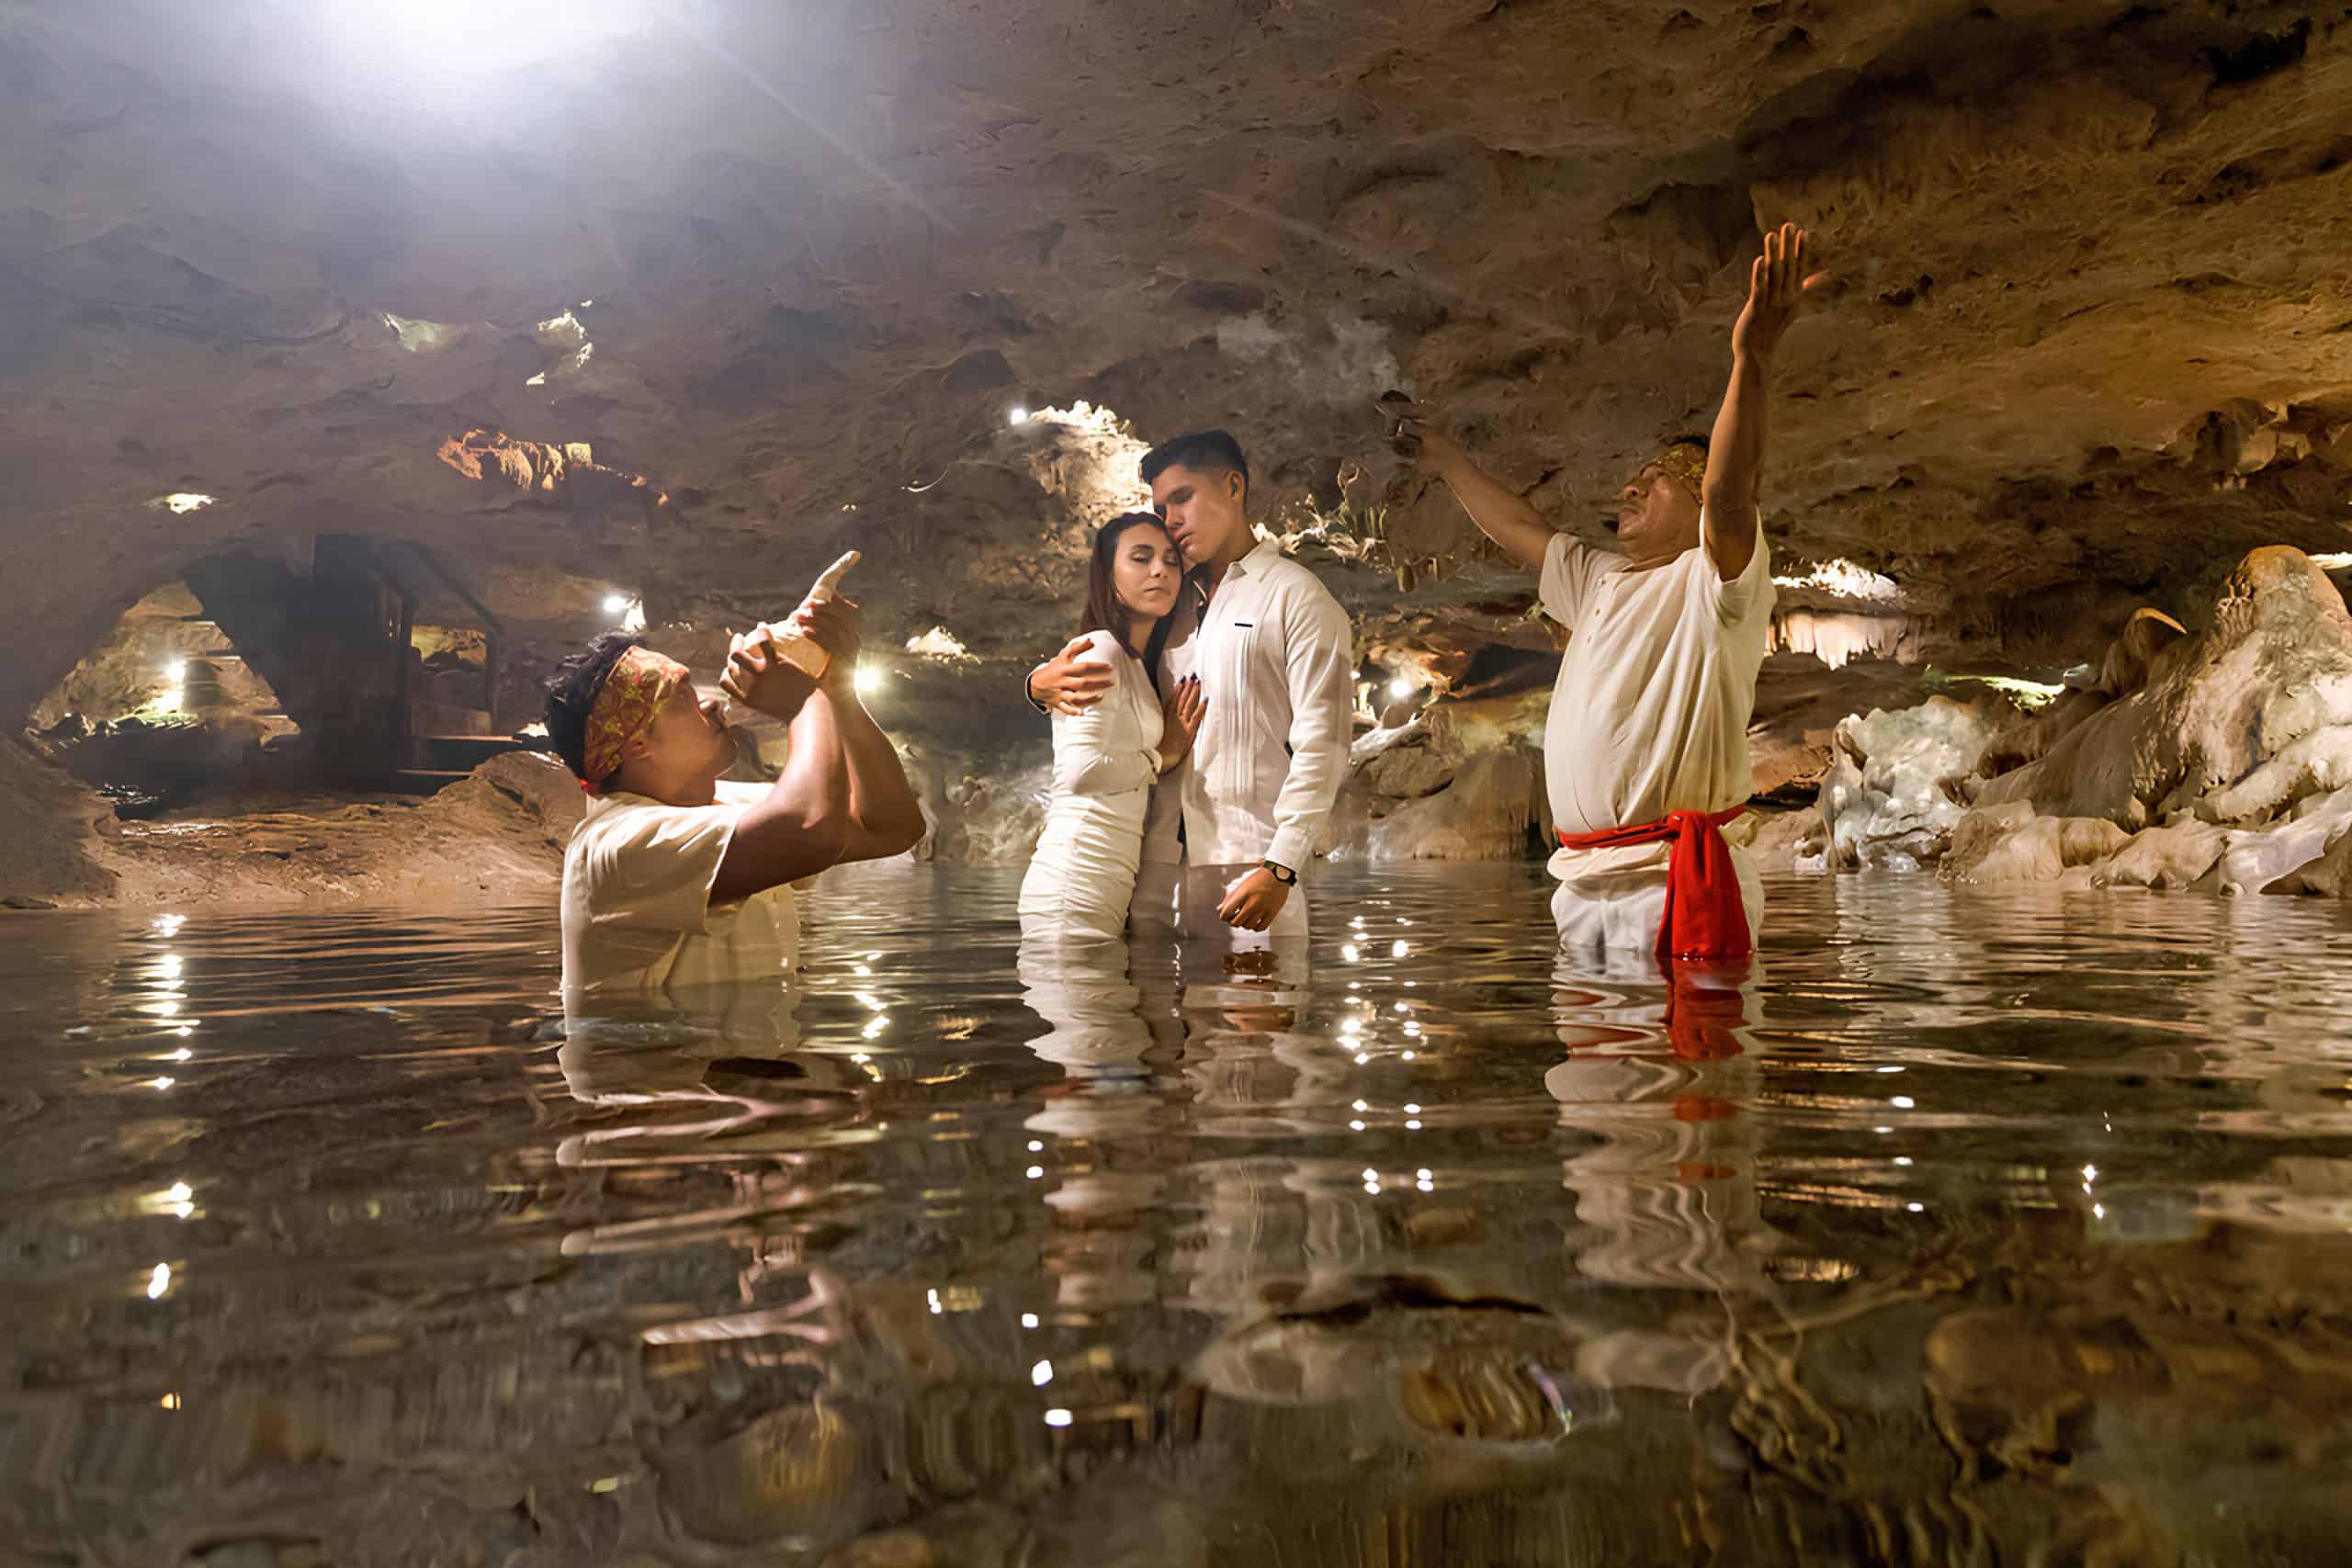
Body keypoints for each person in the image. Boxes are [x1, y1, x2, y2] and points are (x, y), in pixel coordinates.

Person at [1394, 222, 1823, 964]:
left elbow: (1729, 488)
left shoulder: (1714, 586)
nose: (1630, 486)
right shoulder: (1601, 580)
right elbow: (1520, 525)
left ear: (1695, 509)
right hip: (1582, 883)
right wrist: (1444, 458)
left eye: (1656, 481)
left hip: (1670, 882)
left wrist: (1752, 356)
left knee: (1681, 1076)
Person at [1026, 430, 1355, 942]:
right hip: (1151, 873)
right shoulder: (1171, 604)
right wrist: (1036, 683)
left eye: (1183, 498)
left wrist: (1282, 866)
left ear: (1233, 486)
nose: (1171, 520)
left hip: (1248, 865)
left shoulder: (1297, 598)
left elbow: (1326, 744)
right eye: (1161, 507)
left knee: (1252, 1021)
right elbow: (1112, 665)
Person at [543, 574, 926, 998]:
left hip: (745, 1060)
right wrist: (800, 699)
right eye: (684, 698)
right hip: (660, 1065)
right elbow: (810, 828)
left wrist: (836, 688)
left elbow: (893, 827)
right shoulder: (617, 847)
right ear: (636, 742)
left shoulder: (719, 805)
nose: (712, 703)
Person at [1020, 513, 1205, 940]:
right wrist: (1165, 756)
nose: (1160, 569)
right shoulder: (1100, 650)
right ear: (1108, 575)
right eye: (1140, 558)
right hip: (1075, 880)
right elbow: (1080, 772)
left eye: (1171, 561)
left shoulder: (1135, 663)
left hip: (1104, 879)